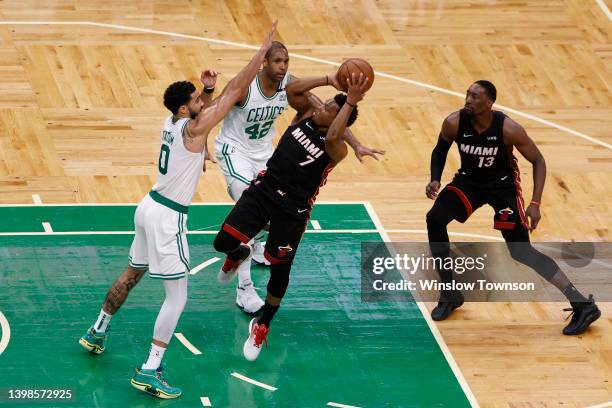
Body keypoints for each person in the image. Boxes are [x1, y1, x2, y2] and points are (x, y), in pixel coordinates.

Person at [78, 21, 278, 398]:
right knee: (177, 297)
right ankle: (150, 368)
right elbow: (236, 89)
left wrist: (204, 90)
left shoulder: (170, 121)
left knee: (131, 273)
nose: (203, 103)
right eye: (197, 100)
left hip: (147, 206)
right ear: (186, 108)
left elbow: (202, 114)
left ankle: (97, 330)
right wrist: (261, 52)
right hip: (169, 216)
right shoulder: (194, 127)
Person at [213, 42, 384, 316]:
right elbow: (214, 107)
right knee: (246, 207)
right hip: (234, 150)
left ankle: (250, 246)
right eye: (278, 61)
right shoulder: (247, 86)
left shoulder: (290, 85)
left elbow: (327, 117)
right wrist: (331, 79)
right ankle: (244, 286)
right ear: (264, 62)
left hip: (265, 153)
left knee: (265, 220)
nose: (283, 67)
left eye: (287, 61)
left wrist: (356, 144)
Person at [425, 80, 600, 335]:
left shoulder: (508, 129)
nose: (468, 100)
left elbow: (538, 160)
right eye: (467, 95)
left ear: (489, 103)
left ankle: (582, 304)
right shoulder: (454, 122)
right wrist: (435, 178)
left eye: (475, 97)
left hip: (502, 188)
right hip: (469, 182)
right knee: (435, 219)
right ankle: (450, 292)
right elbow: (439, 150)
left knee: (522, 252)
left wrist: (535, 202)